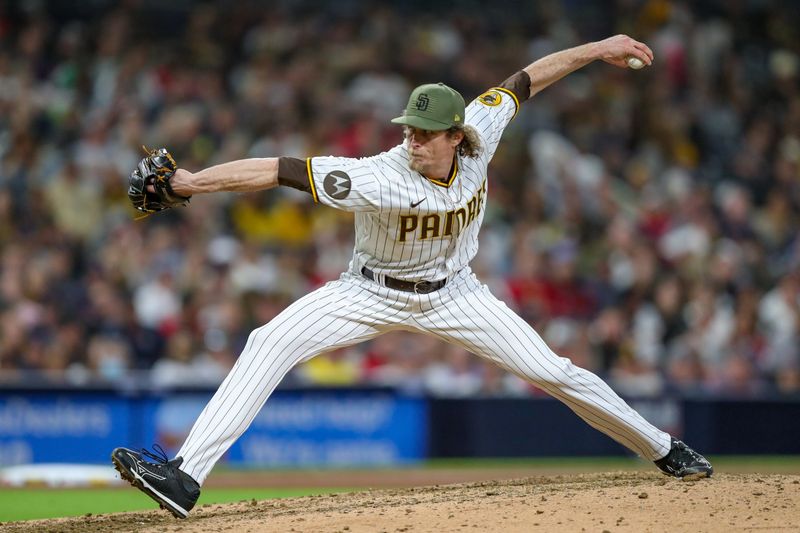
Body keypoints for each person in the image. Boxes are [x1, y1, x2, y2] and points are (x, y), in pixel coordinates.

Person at [112, 34, 712, 519]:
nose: (412, 139)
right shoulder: (381, 175)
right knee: (268, 341)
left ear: (457, 134)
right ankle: (185, 477)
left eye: (425, 132)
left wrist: (596, 48)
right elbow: (277, 169)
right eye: (408, 129)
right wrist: (192, 182)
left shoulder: (481, 132)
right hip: (367, 291)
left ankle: (665, 449)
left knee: (555, 371)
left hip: (457, 295)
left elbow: (526, 80)